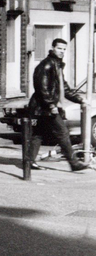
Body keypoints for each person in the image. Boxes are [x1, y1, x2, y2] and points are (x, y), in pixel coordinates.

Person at [27, 38, 89, 172]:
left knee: (38, 134)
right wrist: (51, 105)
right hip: (43, 108)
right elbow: (41, 88)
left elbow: (64, 88)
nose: (62, 51)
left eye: (64, 49)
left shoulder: (57, 65)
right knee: (63, 132)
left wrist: (80, 99)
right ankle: (73, 163)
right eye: (59, 48)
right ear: (53, 48)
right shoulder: (46, 65)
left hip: (43, 107)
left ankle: (29, 161)